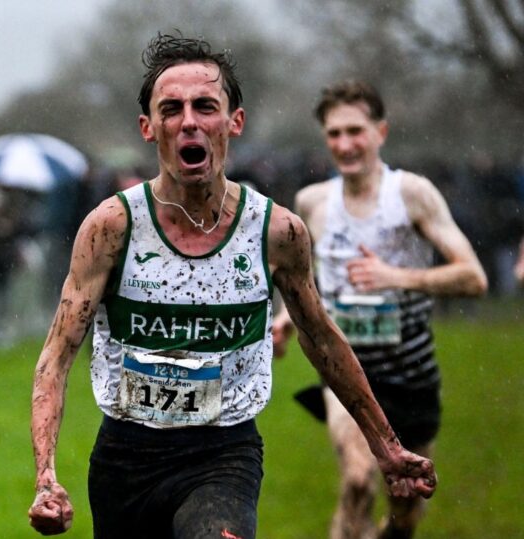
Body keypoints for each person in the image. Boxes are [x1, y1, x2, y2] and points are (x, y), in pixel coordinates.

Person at [28, 36, 437, 539]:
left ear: (233, 122)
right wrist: (45, 476)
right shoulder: (111, 226)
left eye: (205, 106)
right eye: (171, 109)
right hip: (126, 459)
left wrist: (387, 447)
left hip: (223, 455)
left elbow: (323, 340)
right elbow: (57, 353)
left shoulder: (277, 232)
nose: (189, 122)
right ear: (148, 128)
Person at [273, 80, 487, 539]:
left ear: (380, 132)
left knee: (404, 510)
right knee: (356, 481)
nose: (344, 145)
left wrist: (398, 277)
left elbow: (473, 277)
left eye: (355, 131)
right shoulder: (314, 202)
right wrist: (286, 319)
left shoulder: (411, 193)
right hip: (349, 372)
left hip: (412, 377)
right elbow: (312, 286)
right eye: (334, 134)